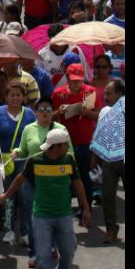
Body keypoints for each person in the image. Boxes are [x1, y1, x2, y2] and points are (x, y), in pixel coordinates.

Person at [0, 128, 91, 269]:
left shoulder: (69, 159)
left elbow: (78, 183)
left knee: (68, 250)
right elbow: (21, 178)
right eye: (65, 145)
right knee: (43, 256)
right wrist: (7, 195)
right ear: (56, 146)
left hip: (64, 214)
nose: (68, 147)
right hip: (42, 215)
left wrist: (85, 208)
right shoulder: (35, 161)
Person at [11, 96, 74, 266]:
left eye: (48, 109)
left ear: (53, 112)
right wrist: (16, 151)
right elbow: (23, 150)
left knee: (53, 215)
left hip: (55, 181)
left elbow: (70, 154)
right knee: (34, 216)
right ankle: (34, 254)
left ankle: (52, 247)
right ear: (36, 112)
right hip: (32, 179)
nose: (45, 112)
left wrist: (69, 178)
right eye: (41, 109)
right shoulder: (28, 129)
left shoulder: (60, 129)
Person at [52, 63, 103, 213]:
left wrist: (87, 112)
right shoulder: (58, 93)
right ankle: (63, 208)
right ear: (67, 78)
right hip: (64, 142)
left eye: (79, 80)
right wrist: (59, 112)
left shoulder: (91, 92)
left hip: (85, 141)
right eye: (73, 80)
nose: (76, 83)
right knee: (64, 177)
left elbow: (98, 115)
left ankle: (85, 208)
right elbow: (51, 117)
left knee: (84, 177)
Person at [0, 82, 37, 243]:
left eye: (18, 95)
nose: (15, 98)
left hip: (24, 161)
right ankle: (9, 230)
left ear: (23, 97)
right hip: (5, 163)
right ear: (6, 97)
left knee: (26, 197)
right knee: (8, 197)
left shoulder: (30, 114)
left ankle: (25, 232)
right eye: (12, 95)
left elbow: (34, 136)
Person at [91, 88, 125, 244]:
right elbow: (98, 133)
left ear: (119, 94)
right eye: (105, 94)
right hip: (108, 161)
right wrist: (94, 157)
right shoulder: (104, 111)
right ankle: (111, 230)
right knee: (108, 196)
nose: (105, 97)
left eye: (109, 93)